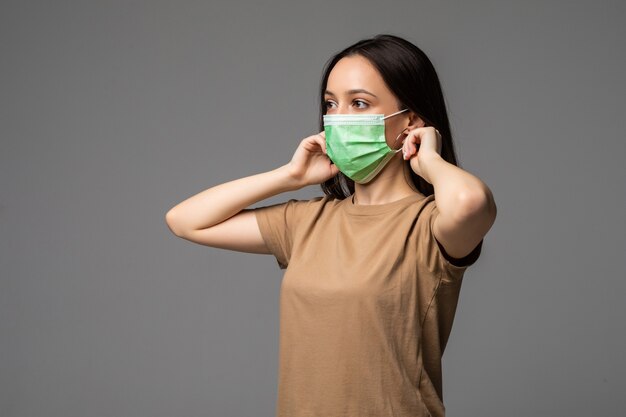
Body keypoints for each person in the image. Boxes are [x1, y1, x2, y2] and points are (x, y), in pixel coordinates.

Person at [165, 34, 497, 417]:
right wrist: (288, 176)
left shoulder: (429, 226)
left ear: (409, 122)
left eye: (359, 103)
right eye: (330, 104)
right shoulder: (307, 221)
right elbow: (185, 221)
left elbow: (472, 203)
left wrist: (431, 160)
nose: (338, 118)